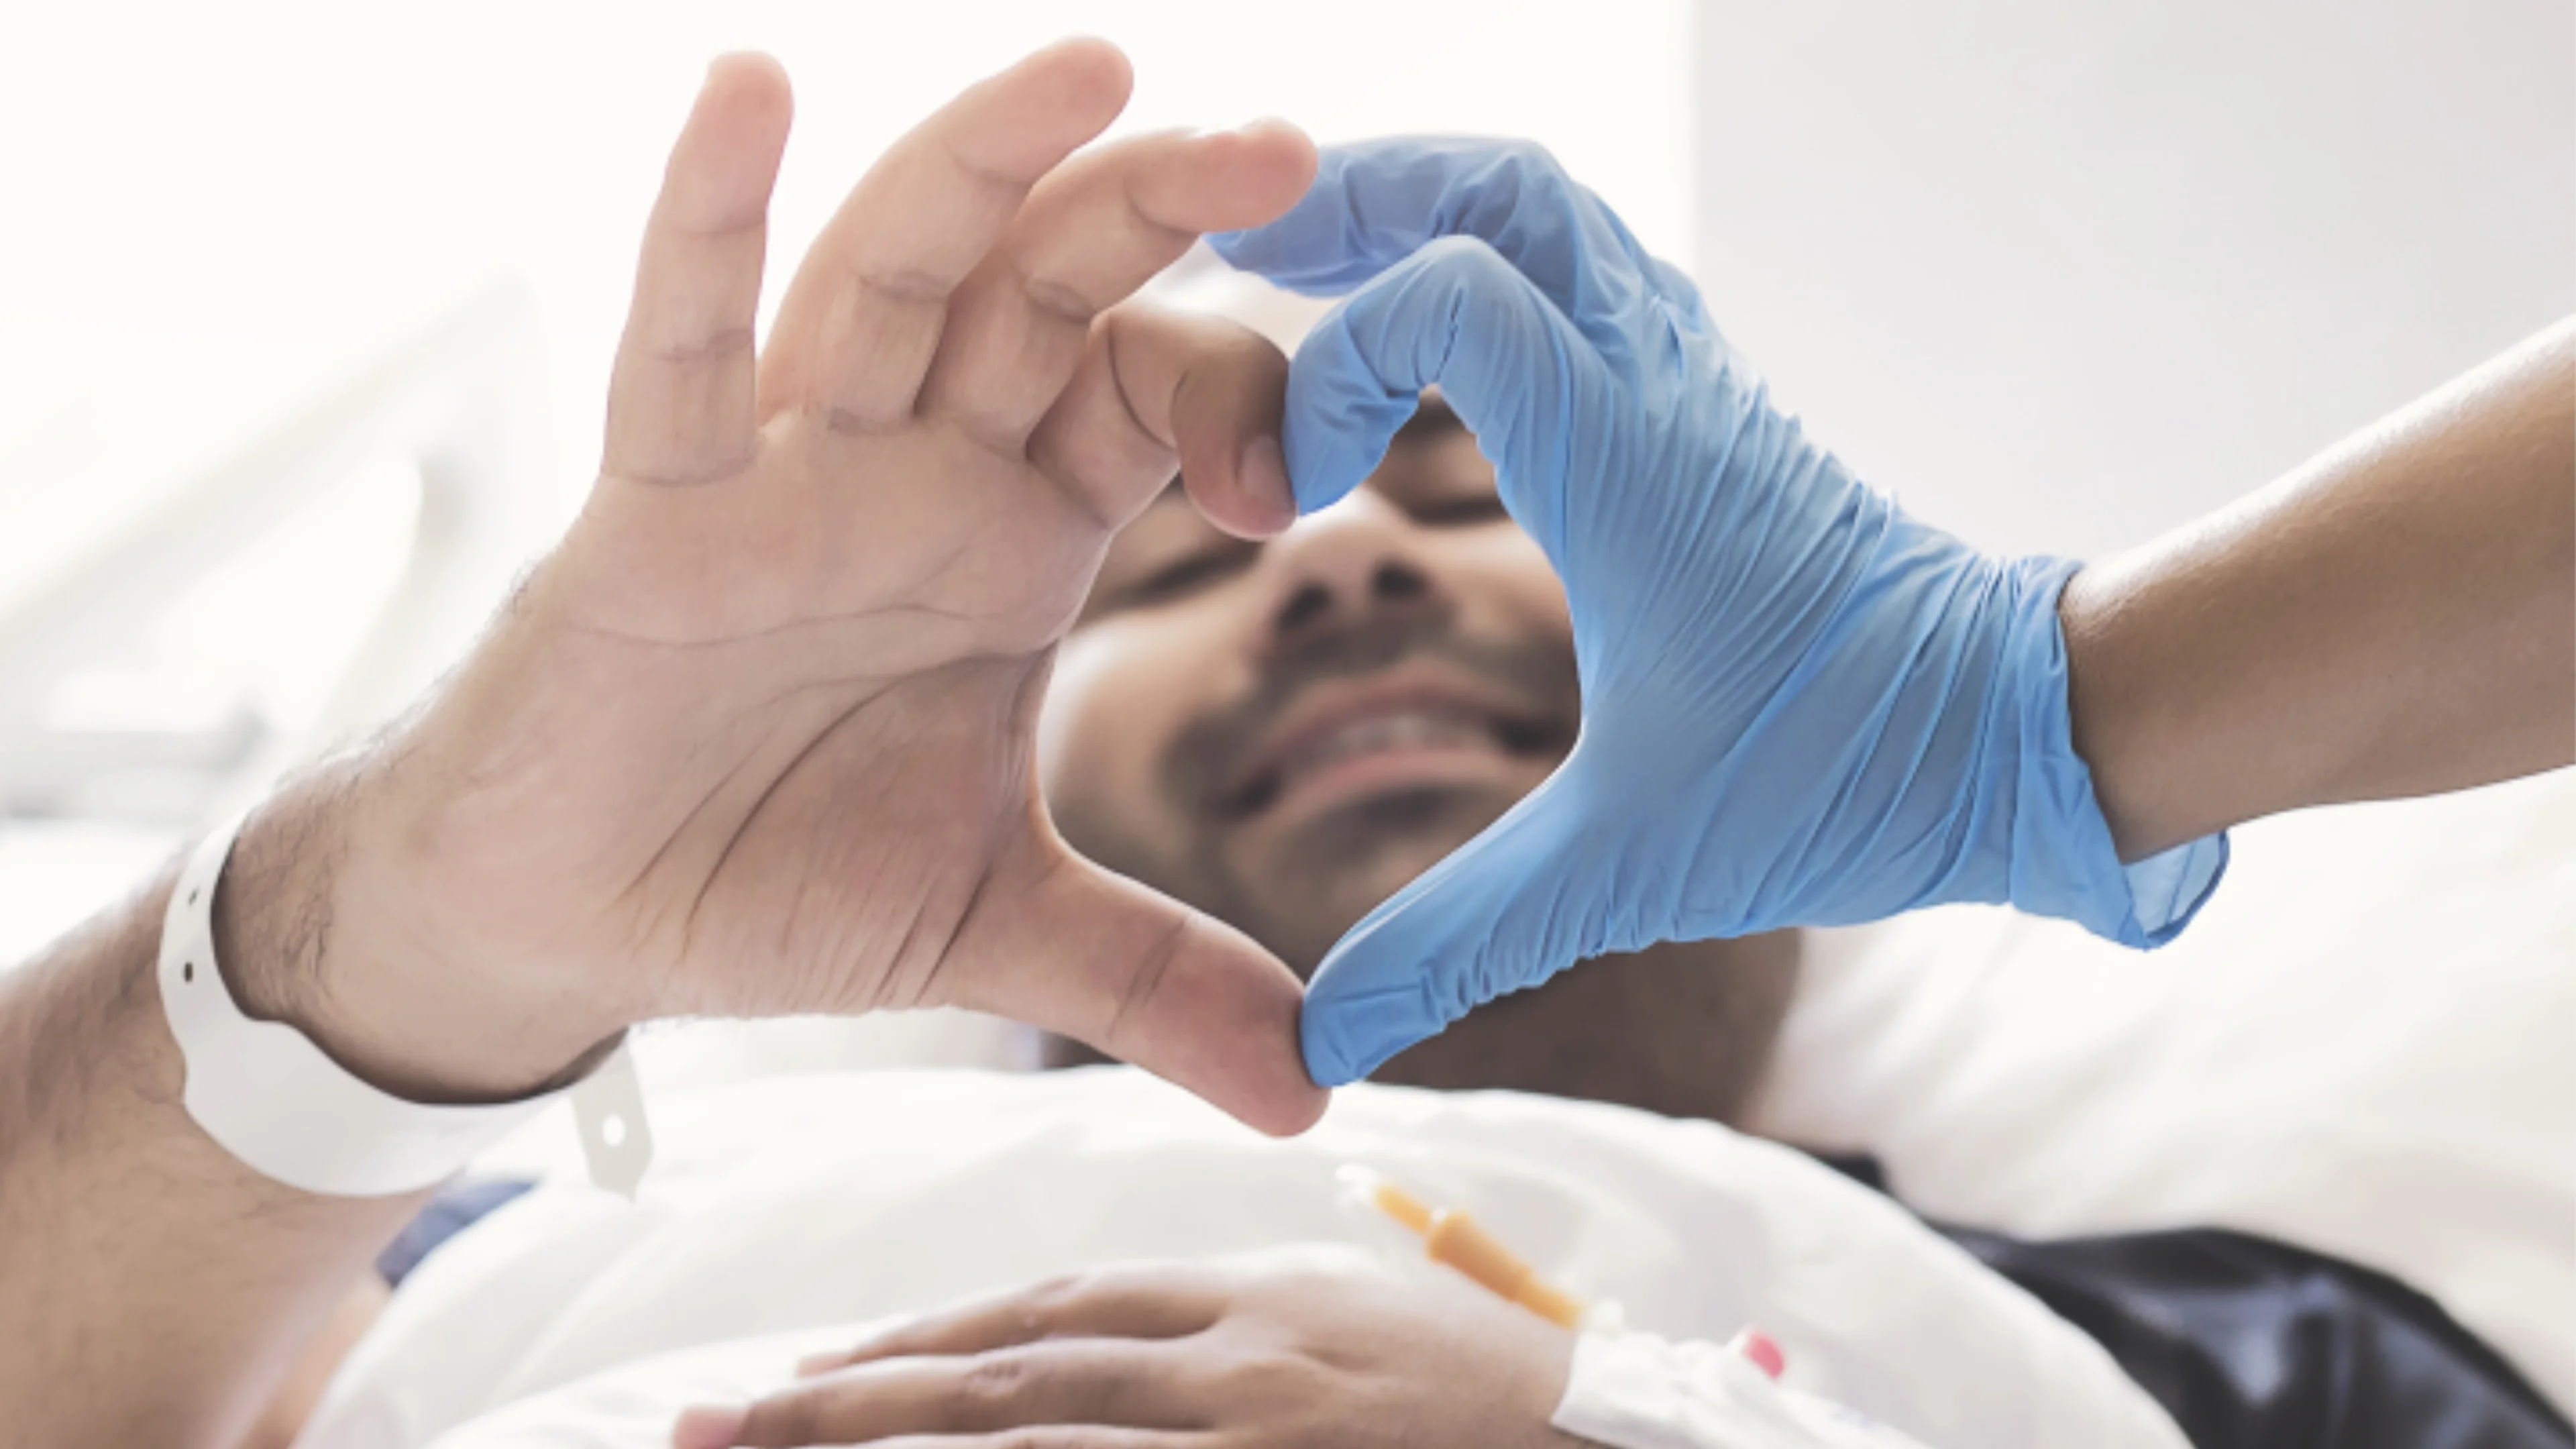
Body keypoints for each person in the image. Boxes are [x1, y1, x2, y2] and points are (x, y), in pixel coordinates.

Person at [0, 36, 2567, 1449]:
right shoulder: (436, 1248)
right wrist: (402, 934)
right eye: (1190, 558)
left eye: (1471, 511)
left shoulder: (2225, 1356)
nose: (1336, 559)